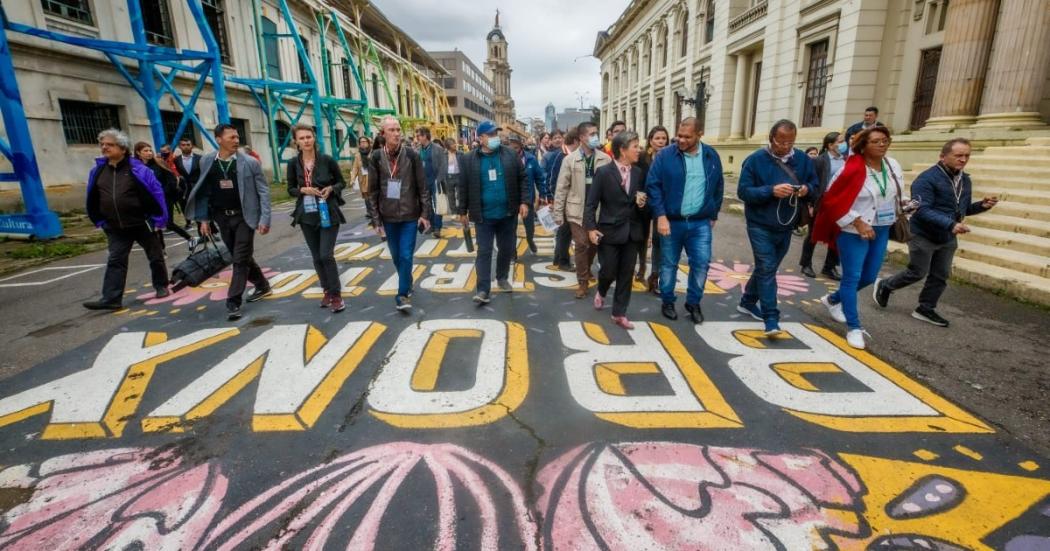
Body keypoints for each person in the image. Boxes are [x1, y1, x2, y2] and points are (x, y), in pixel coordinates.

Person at [873, 137, 998, 327]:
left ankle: (925, 308)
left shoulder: (964, 180)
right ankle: (886, 285)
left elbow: (962, 209)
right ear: (943, 156)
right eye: (958, 155)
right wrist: (950, 224)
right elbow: (921, 210)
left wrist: (982, 205)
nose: (963, 159)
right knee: (917, 272)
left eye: (967, 156)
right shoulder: (926, 179)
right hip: (923, 234)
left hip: (948, 236)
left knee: (941, 275)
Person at [811, 126, 902, 349]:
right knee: (852, 277)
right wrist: (857, 221)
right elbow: (830, 201)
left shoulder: (892, 165)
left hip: (881, 226)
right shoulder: (849, 168)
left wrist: (905, 204)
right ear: (863, 145)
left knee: (870, 277)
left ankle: (832, 300)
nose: (882, 144)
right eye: (876, 141)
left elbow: (894, 192)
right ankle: (854, 327)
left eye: (885, 140)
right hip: (853, 229)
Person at [736, 120, 816, 336]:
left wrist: (805, 190)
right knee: (767, 266)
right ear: (771, 138)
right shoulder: (755, 160)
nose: (785, 147)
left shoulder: (802, 160)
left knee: (766, 268)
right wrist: (771, 190)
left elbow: (815, 186)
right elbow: (743, 192)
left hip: (786, 224)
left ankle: (747, 301)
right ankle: (771, 318)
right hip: (759, 223)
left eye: (790, 142)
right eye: (781, 142)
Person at [185, 123, 272, 321]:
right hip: (221, 217)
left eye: (237, 137)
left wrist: (264, 218)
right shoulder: (207, 161)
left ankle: (233, 301)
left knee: (240, 259)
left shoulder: (250, 162)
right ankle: (262, 285)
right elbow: (205, 191)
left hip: (245, 217)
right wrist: (204, 219)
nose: (236, 140)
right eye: (231, 137)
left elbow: (263, 191)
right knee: (240, 256)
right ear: (218, 139)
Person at [647, 117, 723, 324]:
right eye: (679, 135)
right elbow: (652, 186)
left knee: (701, 263)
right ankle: (668, 301)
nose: (680, 140)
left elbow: (718, 186)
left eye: (687, 137)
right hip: (671, 221)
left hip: (700, 223)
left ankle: (693, 302)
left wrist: (713, 213)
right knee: (669, 263)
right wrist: (660, 216)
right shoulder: (665, 156)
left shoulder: (711, 155)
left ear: (700, 134)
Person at [83, 129, 170, 310]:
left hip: (142, 222)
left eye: (110, 144)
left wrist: (160, 219)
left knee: (155, 256)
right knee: (116, 260)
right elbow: (92, 195)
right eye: (103, 144)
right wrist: (99, 220)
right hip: (115, 226)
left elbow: (157, 193)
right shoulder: (98, 171)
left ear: (123, 148)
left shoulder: (139, 170)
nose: (105, 147)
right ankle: (112, 299)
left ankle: (161, 286)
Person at [457, 120, 529, 304]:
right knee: (484, 251)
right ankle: (483, 290)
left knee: (506, 248)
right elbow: (463, 186)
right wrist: (462, 211)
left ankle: (502, 277)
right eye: (490, 135)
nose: (495, 138)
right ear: (480, 138)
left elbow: (523, 179)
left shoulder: (510, 155)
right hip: (483, 215)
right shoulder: (467, 159)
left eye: (496, 134)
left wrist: (525, 202)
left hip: (507, 213)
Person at [585, 131, 649, 330]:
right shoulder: (604, 173)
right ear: (622, 150)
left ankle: (619, 313)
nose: (638, 150)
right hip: (609, 231)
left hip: (632, 231)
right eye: (635, 147)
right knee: (608, 271)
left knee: (626, 273)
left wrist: (642, 203)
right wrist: (591, 229)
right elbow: (591, 204)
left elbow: (645, 202)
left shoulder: (639, 173)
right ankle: (602, 291)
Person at [366, 116, 430, 311]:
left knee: (405, 255)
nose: (396, 133)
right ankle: (407, 281)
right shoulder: (376, 157)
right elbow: (373, 192)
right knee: (396, 257)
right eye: (391, 130)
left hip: (410, 216)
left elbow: (423, 187)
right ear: (383, 134)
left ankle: (402, 295)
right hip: (388, 216)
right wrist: (376, 220)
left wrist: (425, 214)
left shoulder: (412, 155)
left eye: (397, 129)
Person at [286, 123, 348, 312]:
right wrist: (302, 190)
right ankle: (327, 290)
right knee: (316, 257)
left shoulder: (327, 160)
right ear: (296, 142)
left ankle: (336, 295)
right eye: (302, 138)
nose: (306, 141)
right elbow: (290, 189)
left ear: (314, 138)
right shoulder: (292, 164)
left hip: (327, 211)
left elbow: (341, 182)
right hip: (307, 214)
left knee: (326, 254)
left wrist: (331, 188)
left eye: (309, 137)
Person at [553, 122, 612, 298]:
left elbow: (610, 187)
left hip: (597, 211)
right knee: (581, 245)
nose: (596, 137)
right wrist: (558, 212)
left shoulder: (605, 159)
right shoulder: (569, 160)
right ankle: (583, 281)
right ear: (581, 138)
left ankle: (585, 269)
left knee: (593, 244)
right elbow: (562, 187)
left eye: (596, 133)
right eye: (592, 134)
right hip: (576, 210)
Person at [799, 132, 844, 280]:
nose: (844, 144)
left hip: (839, 203)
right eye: (840, 141)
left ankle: (829, 267)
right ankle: (806, 264)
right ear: (830, 145)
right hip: (821, 201)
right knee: (813, 234)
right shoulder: (819, 161)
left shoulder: (846, 160)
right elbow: (813, 183)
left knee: (836, 236)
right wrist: (811, 204)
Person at [132, 142, 194, 246]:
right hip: (149, 200)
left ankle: (190, 238)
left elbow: (171, 180)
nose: (149, 153)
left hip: (165, 198)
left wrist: (163, 192)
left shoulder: (159, 163)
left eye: (150, 150)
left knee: (168, 223)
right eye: (145, 151)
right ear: (138, 152)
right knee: (155, 225)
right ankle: (162, 249)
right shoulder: (136, 168)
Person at [637, 125, 669, 294]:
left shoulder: (671, 157)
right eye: (657, 138)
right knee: (642, 238)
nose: (661, 141)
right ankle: (641, 268)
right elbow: (638, 178)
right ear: (650, 140)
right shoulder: (642, 157)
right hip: (643, 203)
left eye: (664, 138)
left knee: (659, 241)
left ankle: (654, 276)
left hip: (661, 206)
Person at [508, 134, 546, 255]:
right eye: (510, 147)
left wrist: (542, 195)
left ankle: (530, 240)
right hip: (511, 200)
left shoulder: (531, 159)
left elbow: (539, 178)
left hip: (527, 199)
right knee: (510, 229)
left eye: (515, 147)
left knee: (530, 227)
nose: (513, 150)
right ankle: (512, 252)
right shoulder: (504, 160)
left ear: (520, 146)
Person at [545, 129, 576, 271]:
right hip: (562, 201)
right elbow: (552, 179)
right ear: (576, 141)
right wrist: (553, 199)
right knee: (565, 232)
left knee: (563, 232)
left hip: (571, 200)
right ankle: (563, 261)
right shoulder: (560, 156)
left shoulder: (573, 155)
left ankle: (558, 258)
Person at [416, 127, 448, 238]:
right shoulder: (418, 149)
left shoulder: (437, 149)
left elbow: (443, 166)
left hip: (435, 181)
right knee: (427, 205)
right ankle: (431, 226)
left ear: (425, 136)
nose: (417, 138)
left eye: (419, 135)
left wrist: (438, 180)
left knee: (437, 204)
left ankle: (437, 228)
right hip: (423, 182)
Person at [174, 137, 202, 230]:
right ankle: (188, 222)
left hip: (197, 187)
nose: (186, 147)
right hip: (184, 189)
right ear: (179, 146)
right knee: (186, 207)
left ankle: (206, 231)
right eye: (183, 145)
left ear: (192, 146)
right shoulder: (176, 160)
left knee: (200, 209)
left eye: (188, 145)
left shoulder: (200, 158)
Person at [444, 137, 462, 216]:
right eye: (452, 144)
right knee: (450, 195)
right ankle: (454, 211)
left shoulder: (460, 153)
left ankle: (461, 210)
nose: (455, 145)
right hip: (449, 176)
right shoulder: (444, 154)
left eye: (454, 143)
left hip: (459, 175)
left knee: (460, 194)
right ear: (448, 146)